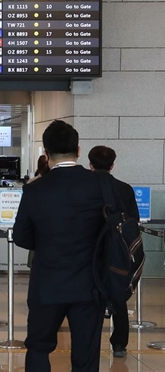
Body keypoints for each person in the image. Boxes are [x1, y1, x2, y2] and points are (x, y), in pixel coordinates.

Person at [13, 120, 107, 372]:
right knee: (87, 352)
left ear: (45, 152)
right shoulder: (101, 184)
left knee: (39, 346)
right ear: (78, 150)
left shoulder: (35, 190)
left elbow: (21, 237)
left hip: (47, 282)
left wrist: (46, 244)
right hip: (91, 284)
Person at [88, 145, 139, 358]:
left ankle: (89, 342)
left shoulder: (84, 187)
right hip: (117, 250)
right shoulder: (125, 189)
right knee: (118, 295)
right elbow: (133, 220)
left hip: (90, 250)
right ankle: (119, 344)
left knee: (90, 297)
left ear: (89, 164)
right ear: (112, 165)